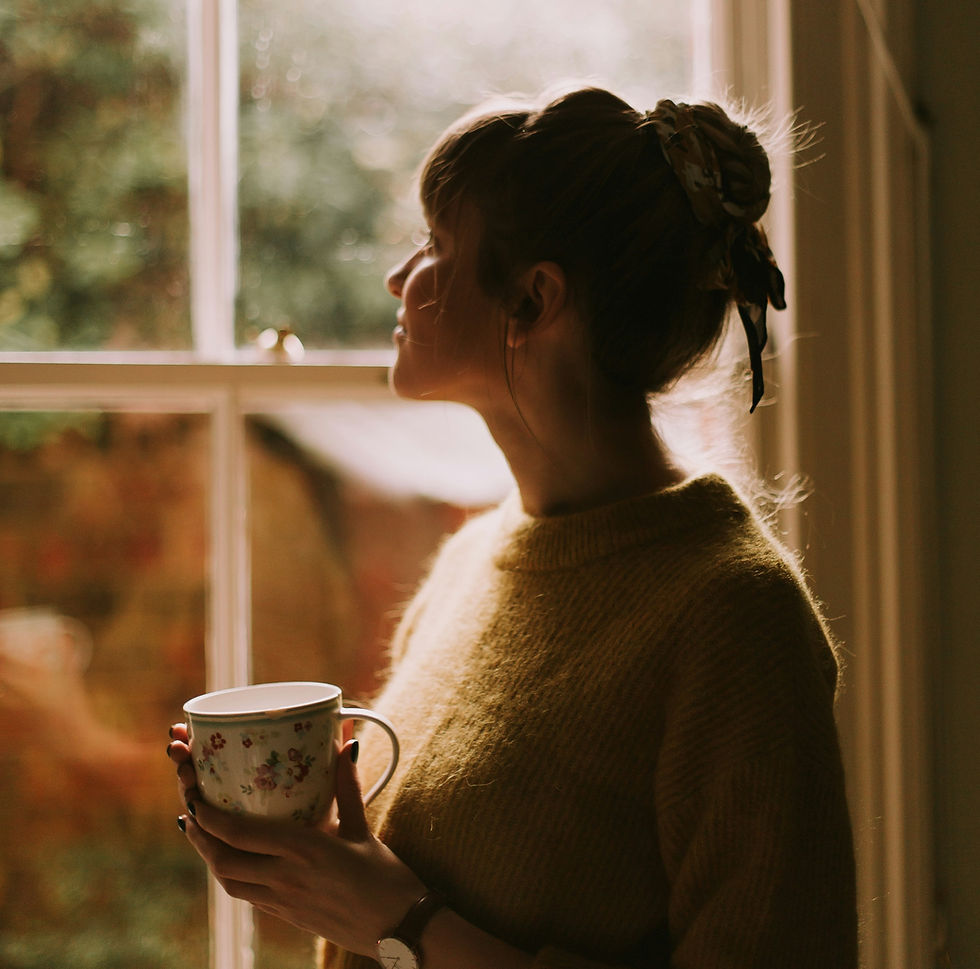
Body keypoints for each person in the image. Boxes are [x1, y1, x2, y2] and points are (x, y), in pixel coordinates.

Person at [167, 86, 858, 969]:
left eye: (436, 246)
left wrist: (405, 924)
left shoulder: (733, 618)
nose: (397, 277)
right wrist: (305, 857)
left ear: (532, 302)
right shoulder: (471, 561)